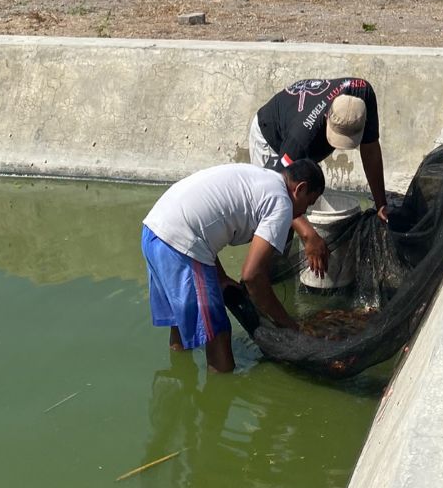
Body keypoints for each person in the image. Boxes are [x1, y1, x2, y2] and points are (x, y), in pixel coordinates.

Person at [141, 160, 324, 373]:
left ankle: (178, 378)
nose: (303, 212)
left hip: (154, 231)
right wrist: (289, 326)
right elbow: (252, 277)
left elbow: (206, 222)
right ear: (299, 189)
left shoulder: (261, 177)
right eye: (308, 203)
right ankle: (220, 394)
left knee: (180, 323)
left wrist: (220, 275)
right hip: (180, 244)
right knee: (218, 332)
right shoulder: (281, 203)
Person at [249, 78, 388, 274]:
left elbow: (371, 149)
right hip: (271, 137)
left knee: (298, 206)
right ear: (327, 117)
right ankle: (265, 273)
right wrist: (309, 236)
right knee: (278, 219)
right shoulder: (301, 138)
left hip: (299, 128)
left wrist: (381, 204)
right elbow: (276, 191)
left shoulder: (363, 94)